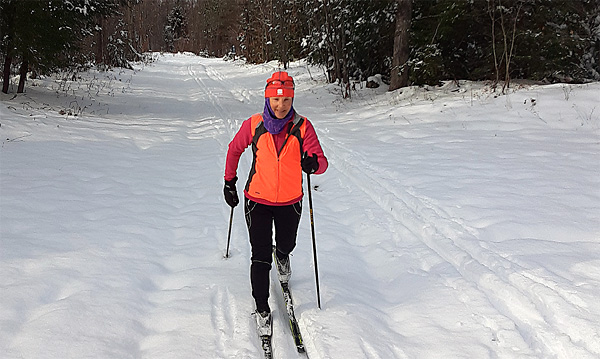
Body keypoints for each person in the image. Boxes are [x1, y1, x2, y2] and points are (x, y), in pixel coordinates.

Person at [223, 71, 328, 336]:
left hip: (290, 201)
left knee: (286, 244)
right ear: (267, 99)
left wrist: (313, 164)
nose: (281, 106)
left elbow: (321, 161)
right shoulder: (254, 124)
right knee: (259, 256)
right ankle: (261, 309)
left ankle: (282, 256)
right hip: (257, 199)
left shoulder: (303, 126)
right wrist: (229, 181)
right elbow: (234, 149)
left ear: (292, 99)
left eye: (286, 100)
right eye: (276, 100)